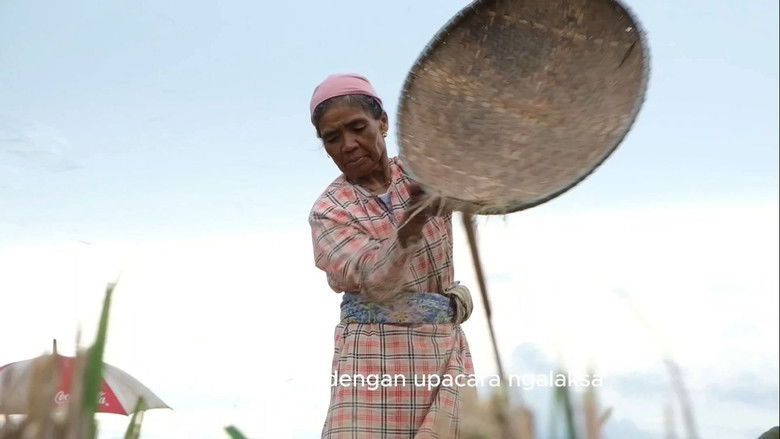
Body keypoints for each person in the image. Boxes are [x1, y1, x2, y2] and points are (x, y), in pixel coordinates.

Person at [308, 73, 475, 438]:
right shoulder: (330, 211)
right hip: (372, 360)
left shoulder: (422, 172)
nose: (348, 145)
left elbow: (481, 184)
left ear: (382, 123)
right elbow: (373, 280)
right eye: (333, 138)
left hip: (443, 349)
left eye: (357, 128)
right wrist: (410, 226)